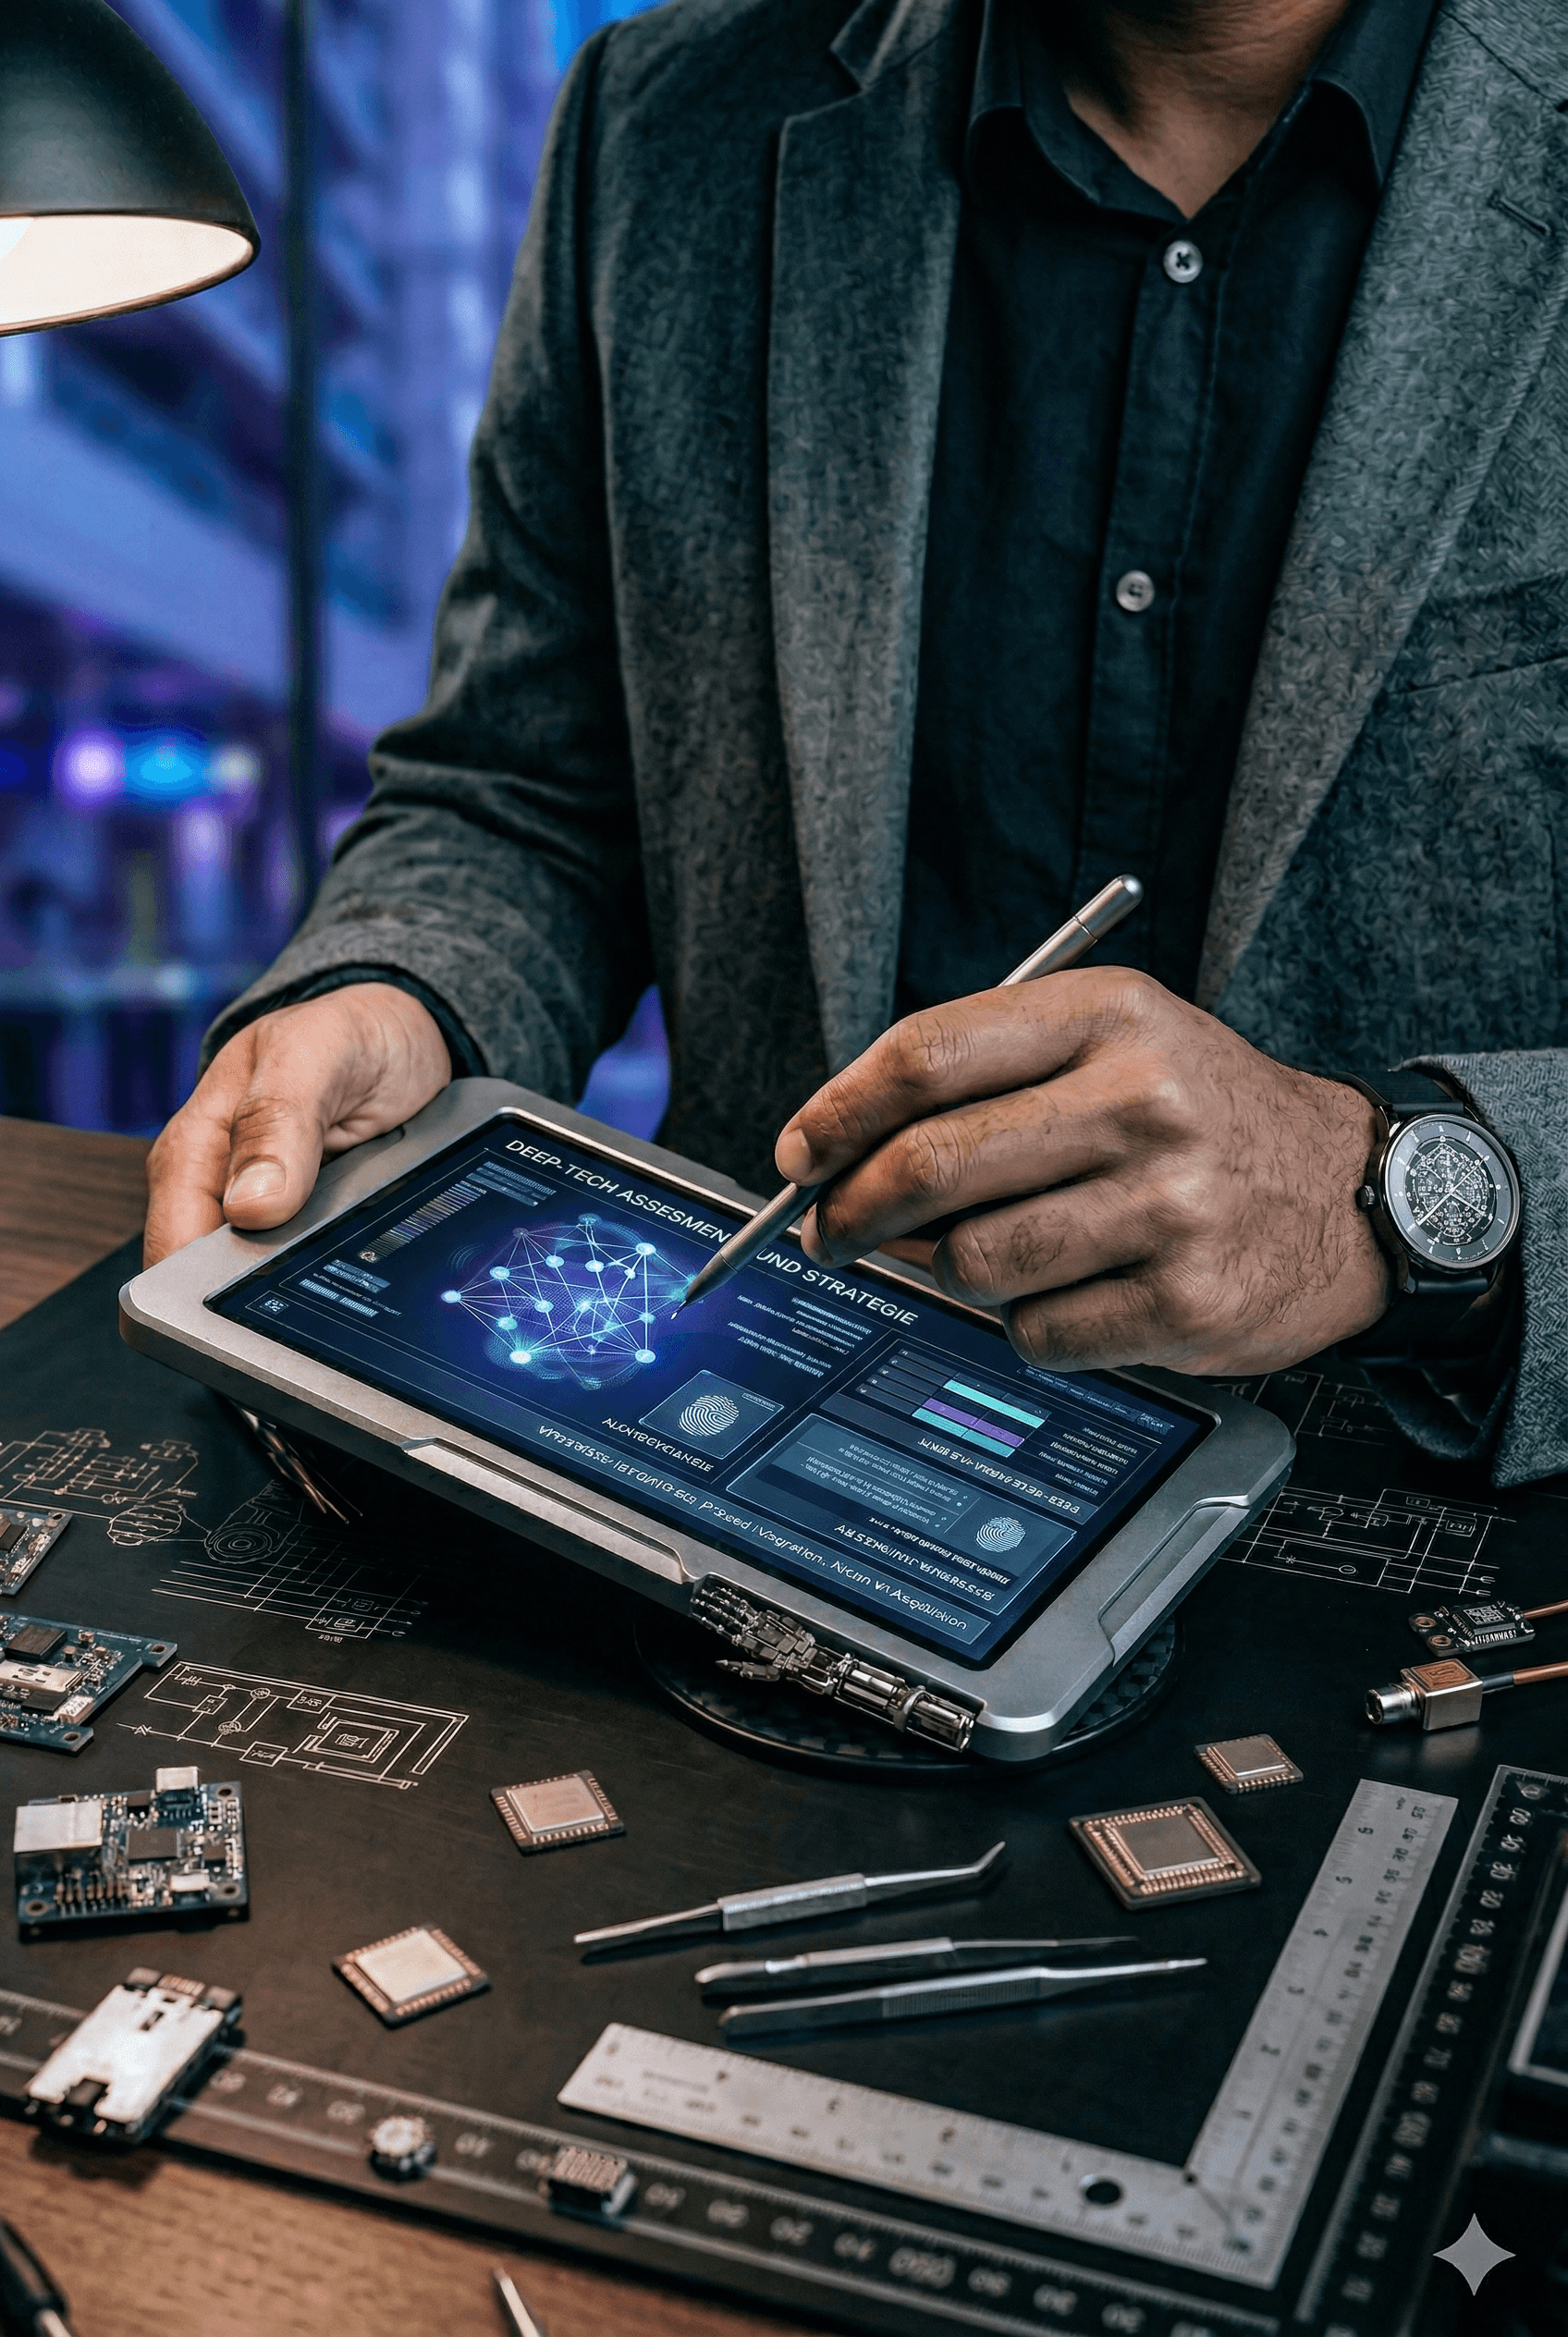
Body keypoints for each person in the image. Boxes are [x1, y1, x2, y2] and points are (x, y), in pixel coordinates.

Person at [144, 0, 1568, 1487]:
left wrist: (1387, 1199)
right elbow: (530, 790)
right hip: (749, 1457)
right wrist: (398, 990)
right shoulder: (664, 120)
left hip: (1419, 1511)